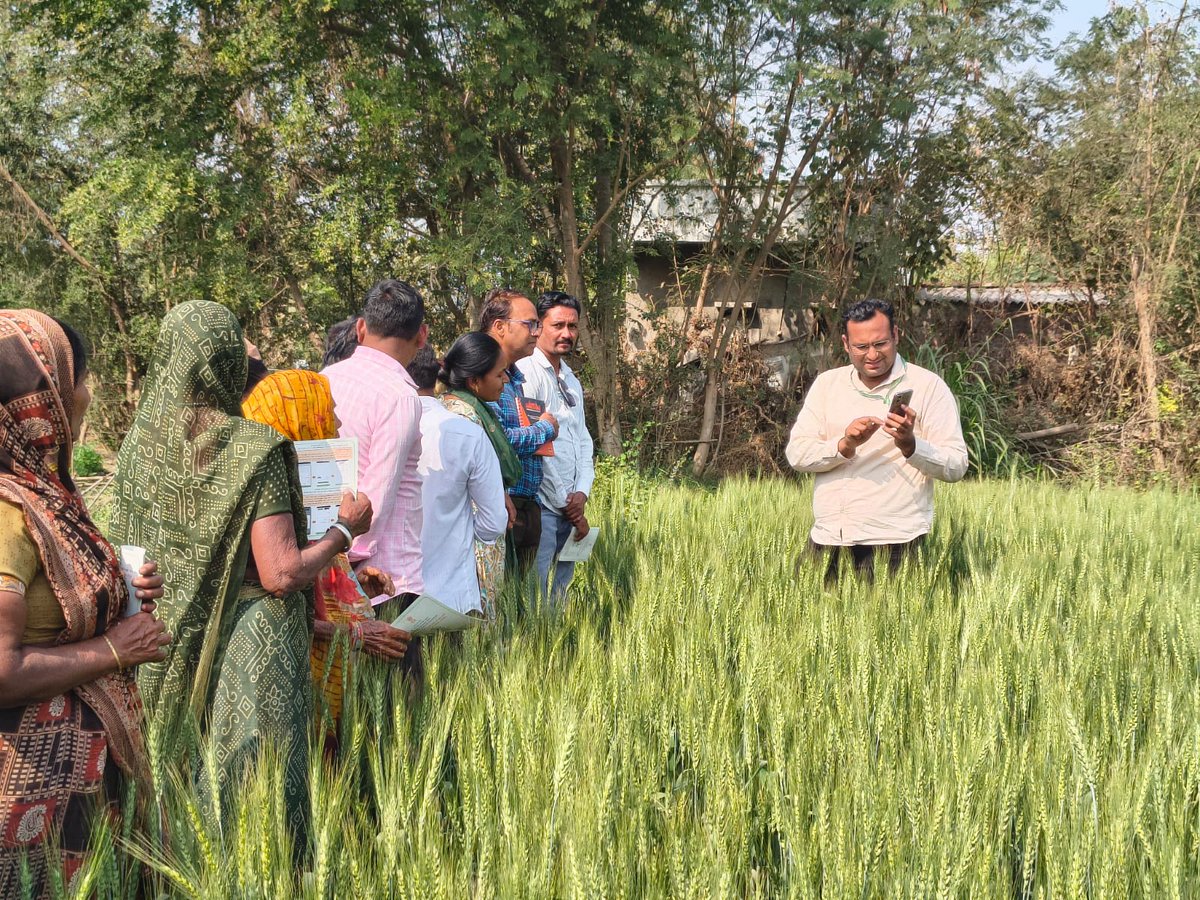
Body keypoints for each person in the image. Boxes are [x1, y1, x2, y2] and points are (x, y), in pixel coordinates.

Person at [110, 300, 373, 841]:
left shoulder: (140, 446)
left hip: (157, 642)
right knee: (252, 804)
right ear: (227, 361)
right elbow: (279, 573)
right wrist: (345, 531)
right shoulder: (252, 445)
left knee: (169, 788)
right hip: (248, 647)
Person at [0, 311, 169, 895]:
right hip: (31, 787)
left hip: (78, 779)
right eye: (80, 378)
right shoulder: (6, 513)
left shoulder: (44, 492)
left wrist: (119, 586)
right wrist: (113, 649)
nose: (90, 393)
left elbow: (54, 594)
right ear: (43, 400)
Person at [241, 370, 410, 742]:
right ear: (298, 417)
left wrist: (349, 582)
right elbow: (272, 590)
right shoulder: (260, 497)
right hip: (286, 679)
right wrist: (354, 632)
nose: (336, 423)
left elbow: (307, 563)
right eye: (325, 411)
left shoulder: (297, 483)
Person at [785, 298, 969, 582]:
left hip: (896, 544)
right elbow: (797, 455)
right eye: (861, 347)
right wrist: (844, 445)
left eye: (880, 343)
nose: (872, 354)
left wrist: (911, 446)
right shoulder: (827, 386)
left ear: (895, 335)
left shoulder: (928, 387)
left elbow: (956, 465)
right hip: (829, 538)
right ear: (846, 343)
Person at [322, 281, 427, 604]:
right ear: (421, 336)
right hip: (382, 578)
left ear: (361, 327)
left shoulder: (325, 378)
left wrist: (326, 557)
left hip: (322, 563)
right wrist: (350, 561)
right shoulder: (399, 397)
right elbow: (375, 499)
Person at [417, 334, 513, 615]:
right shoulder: (466, 421)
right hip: (463, 571)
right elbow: (492, 523)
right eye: (499, 373)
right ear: (474, 381)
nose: (506, 379)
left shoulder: (448, 408)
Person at [516, 291, 596, 604]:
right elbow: (537, 445)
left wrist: (582, 493)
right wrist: (566, 502)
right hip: (544, 505)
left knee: (561, 593)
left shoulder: (571, 379)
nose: (567, 333)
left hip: (573, 505)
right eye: (558, 325)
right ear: (538, 327)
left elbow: (582, 439)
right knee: (535, 592)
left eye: (573, 326)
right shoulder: (526, 374)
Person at [480, 289, 558, 577]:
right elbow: (497, 441)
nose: (537, 333)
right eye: (530, 324)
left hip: (526, 504)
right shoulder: (482, 376)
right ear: (500, 327)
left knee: (519, 602)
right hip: (502, 506)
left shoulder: (515, 377)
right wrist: (544, 429)